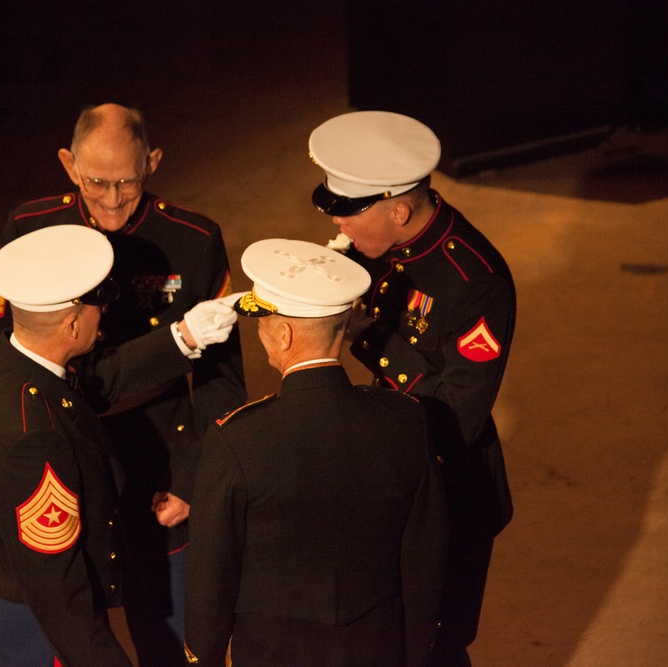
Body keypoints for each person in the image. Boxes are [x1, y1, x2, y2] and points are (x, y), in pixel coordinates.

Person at [0, 102, 246, 665]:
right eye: (96, 181)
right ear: (67, 165)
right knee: (67, 628)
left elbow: (223, 380)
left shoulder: (193, 240)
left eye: (127, 182)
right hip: (68, 464)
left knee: (175, 642)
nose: (110, 199)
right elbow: (11, 360)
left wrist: (194, 478)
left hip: (158, 472)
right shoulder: (29, 230)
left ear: (152, 163)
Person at [308, 110, 516, 666]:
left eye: (353, 217)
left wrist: (364, 335)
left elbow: (457, 413)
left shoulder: (475, 282)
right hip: (389, 458)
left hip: (447, 490)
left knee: (433, 647)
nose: (342, 230)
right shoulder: (382, 246)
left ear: (399, 209)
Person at [184, 238, 448, 667]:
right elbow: (424, 559)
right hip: (375, 647)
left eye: (263, 321)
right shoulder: (407, 421)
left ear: (284, 334)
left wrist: (203, 658)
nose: (260, 331)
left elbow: (212, 577)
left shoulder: (237, 441)